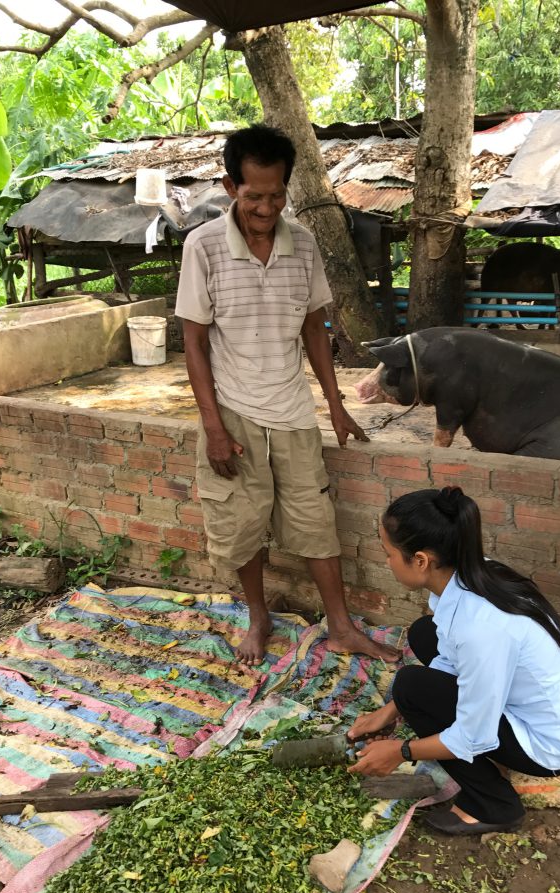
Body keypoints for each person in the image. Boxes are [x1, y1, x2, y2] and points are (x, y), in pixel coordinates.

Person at [175, 124, 397, 667]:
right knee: (244, 523)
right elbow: (194, 342)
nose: (266, 207)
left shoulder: (303, 243)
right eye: (254, 196)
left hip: (294, 413)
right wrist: (214, 429)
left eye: (276, 195)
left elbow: (314, 328)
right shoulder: (202, 246)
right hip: (234, 412)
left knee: (317, 521)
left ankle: (340, 626)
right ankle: (258, 617)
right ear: (231, 187)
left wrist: (336, 405)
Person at [348, 486, 560, 836]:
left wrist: (400, 752)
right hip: (533, 703)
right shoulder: (471, 573)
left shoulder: (482, 628)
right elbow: (449, 653)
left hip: (547, 745)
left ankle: (494, 805)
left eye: (388, 554)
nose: (385, 562)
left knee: (412, 686)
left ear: (420, 560)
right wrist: (391, 710)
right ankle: (414, 705)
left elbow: (470, 736)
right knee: (424, 633)